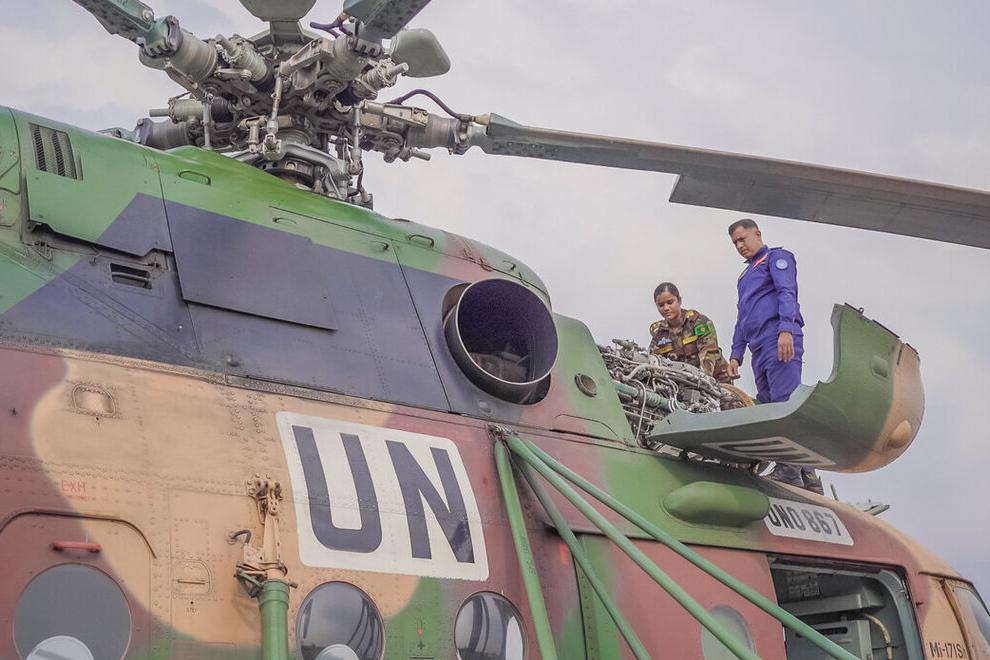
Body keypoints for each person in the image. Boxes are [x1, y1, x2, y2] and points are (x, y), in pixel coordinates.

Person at [725, 218, 822, 495]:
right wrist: (736, 354)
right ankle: (807, 475)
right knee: (769, 406)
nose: (739, 245)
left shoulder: (776, 258)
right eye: (735, 242)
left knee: (784, 404)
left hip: (778, 338)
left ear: (757, 234)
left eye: (743, 239)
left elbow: (787, 292)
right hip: (758, 347)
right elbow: (742, 317)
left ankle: (789, 469)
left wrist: (786, 329)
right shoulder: (745, 276)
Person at [648, 282, 732, 383]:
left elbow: (708, 353)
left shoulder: (698, 322)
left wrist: (702, 379)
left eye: (670, 302)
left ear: (679, 300)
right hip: (684, 380)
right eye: (661, 305)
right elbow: (653, 360)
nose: (666, 308)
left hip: (716, 380)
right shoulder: (659, 333)